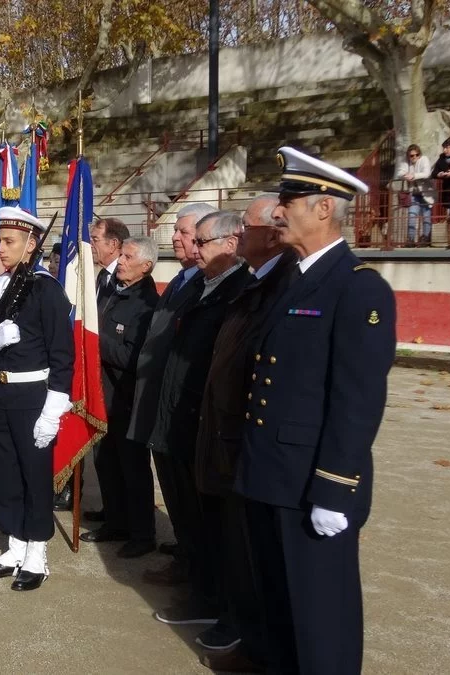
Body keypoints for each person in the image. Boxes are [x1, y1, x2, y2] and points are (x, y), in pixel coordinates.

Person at [235, 147, 395, 675]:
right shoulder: (294, 277)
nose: (278, 212)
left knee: (321, 616)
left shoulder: (357, 286)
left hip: (311, 481)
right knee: (280, 607)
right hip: (271, 472)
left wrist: (334, 487)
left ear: (324, 208)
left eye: (290, 201)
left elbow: (357, 400)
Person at [191, 194, 295, 669]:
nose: (240, 236)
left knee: (253, 550)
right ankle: (246, 634)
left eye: (246, 229)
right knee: (237, 541)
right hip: (224, 429)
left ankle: (251, 636)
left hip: (249, 437)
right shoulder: (256, 282)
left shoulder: (283, 283)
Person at [149, 210, 251, 628]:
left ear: (230, 244)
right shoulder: (201, 284)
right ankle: (197, 581)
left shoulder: (239, 291)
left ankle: (210, 600)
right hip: (179, 415)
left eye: (201, 240)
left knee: (210, 519)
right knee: (189, 513)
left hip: (204, 422)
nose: (192, 246)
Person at [0, 206, 74, 591]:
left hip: (33, 396)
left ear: (31, 245)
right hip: (0, 390)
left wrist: (52, 410)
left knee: (34, 475)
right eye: (0, 240)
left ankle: (37, 553)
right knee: (6, 473)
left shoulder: (46, 289)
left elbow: (63, 355)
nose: (1, 247)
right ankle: (14, 545)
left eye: (9, 241)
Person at [127, 202, 214, 586]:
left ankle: (193, 562)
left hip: (182, 406)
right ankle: (185, 547)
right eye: (176, 230)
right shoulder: (182, 278)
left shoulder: (206, 283)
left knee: (188, 491)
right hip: (160, 399)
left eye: (183, 232)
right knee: (173, 485)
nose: (175, 237)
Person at [81, 236, 160, 558]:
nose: (121, 262)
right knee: (106, 461)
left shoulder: (146, 305)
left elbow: (132, 357)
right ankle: (115, 520)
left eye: (128, 257)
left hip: (125, 400)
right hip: (102, 395)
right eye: (122, 255)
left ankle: (142, 533)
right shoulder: (114, 290)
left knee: (132, 468)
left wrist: (93, 339)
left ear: (146, 266)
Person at [56, 217, 132, 509]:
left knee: (123, 459)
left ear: (113, 244)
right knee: (103, 454)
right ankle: (111, 512)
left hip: (115, 385)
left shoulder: (127, 284)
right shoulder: (101, 278)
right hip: (95, 379)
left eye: (95, 240)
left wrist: (90, 340)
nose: (89, 245)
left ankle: (128, 521)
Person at [393, 144, 436, 247]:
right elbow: (399, 173)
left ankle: (426, 239)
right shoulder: (406, 162)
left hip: (426, 193)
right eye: (411, 155)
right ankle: (411, 239)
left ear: (419, 154)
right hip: (414, 194)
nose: (414, 157)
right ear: (408, 156)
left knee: (426, 217)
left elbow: (426, 173)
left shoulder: (424, 159)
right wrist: (405, 176)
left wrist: (414, 176)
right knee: (411, 215)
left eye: (416, 155)